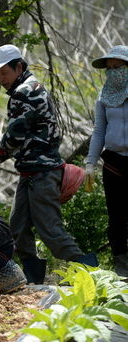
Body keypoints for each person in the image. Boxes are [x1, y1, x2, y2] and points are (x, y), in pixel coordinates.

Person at [0, 44, 97, 284]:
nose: (1, 79)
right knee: (18, 225)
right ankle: (32, 276)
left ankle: (91, 275)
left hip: (42, 172)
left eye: (4, 72)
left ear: (19, 67)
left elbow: (15, 135)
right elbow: (19, 138)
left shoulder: (24, 92)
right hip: (31, 170)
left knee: (50, 229)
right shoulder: (29, 88)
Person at [84, 45, 128, 276]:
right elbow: (99, 130)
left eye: (117, 67)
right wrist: (90, 164)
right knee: (116, 216)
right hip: (112, 162)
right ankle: (122, 267)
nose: (113, 72)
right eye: (109, 69)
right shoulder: (104, 97)